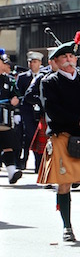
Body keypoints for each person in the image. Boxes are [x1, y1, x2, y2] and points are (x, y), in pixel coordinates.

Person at [37, 35, 80, 242]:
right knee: (64, 183)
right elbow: (53, 111)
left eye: (71, 56)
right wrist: (79, 119)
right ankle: (67, 226)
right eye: (63, 57)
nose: (69, 59)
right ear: (55, 62)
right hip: (63, 136)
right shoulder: (49, 82)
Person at [15, 51, 44, 170]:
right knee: (29, 136)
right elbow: (17, 94)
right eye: (30, 62)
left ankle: (39, 163)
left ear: (40, 63)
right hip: (27, 110)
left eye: (35, 62)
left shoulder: (44, 76)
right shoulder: (22, 77)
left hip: (40, 111)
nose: (32, 64)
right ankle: (24, 160)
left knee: (40, 137)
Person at [0, 51, 22, 184]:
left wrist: (15, 100)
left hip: (4, 116)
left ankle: (11, 173)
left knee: (8, 144)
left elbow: (16, 94)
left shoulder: (8, 79)